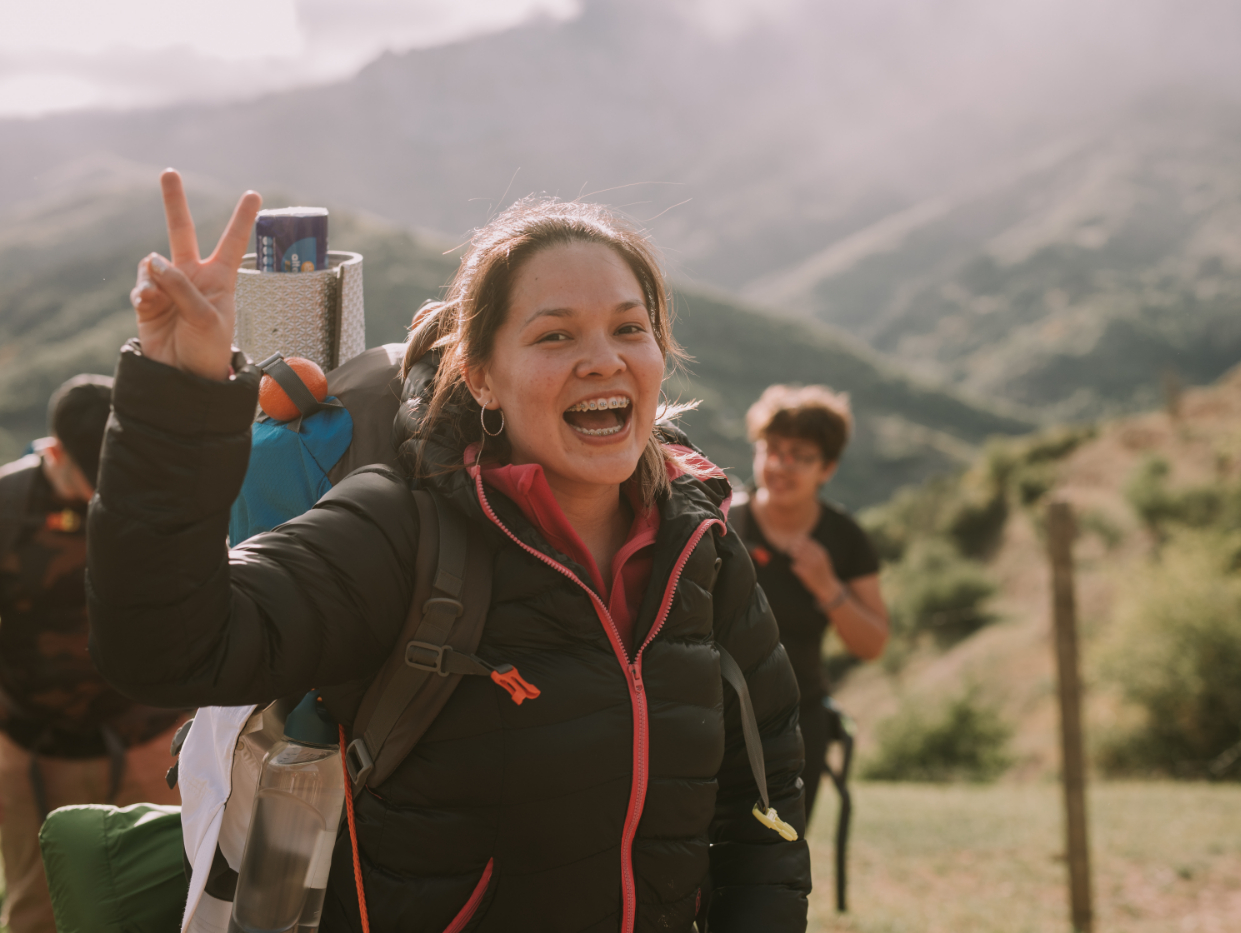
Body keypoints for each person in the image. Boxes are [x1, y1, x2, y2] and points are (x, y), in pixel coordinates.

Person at [87, 170, 810, 932]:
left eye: (630, 328)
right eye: (554, 335)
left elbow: (762, 805)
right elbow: (163, 649)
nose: (603, 359)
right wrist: (178, 395)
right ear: (482, 376)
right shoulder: (403, 533)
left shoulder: (702, 547)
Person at [0, 375, 184, 933]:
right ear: (52, 453)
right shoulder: (8, 508)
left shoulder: (158, 495)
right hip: (37, 749)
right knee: (41, 907)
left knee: (161, 898)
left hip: (152, 741)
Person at [729, 385, 889, 821]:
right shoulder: (722, 523)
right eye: (772, 449)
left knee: (781, 854)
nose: (781, 465)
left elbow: (872, 643)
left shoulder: (845, 539)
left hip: (798, 723)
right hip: (716, 714)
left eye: (800, 455)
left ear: (827, 468)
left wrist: (827, 587)